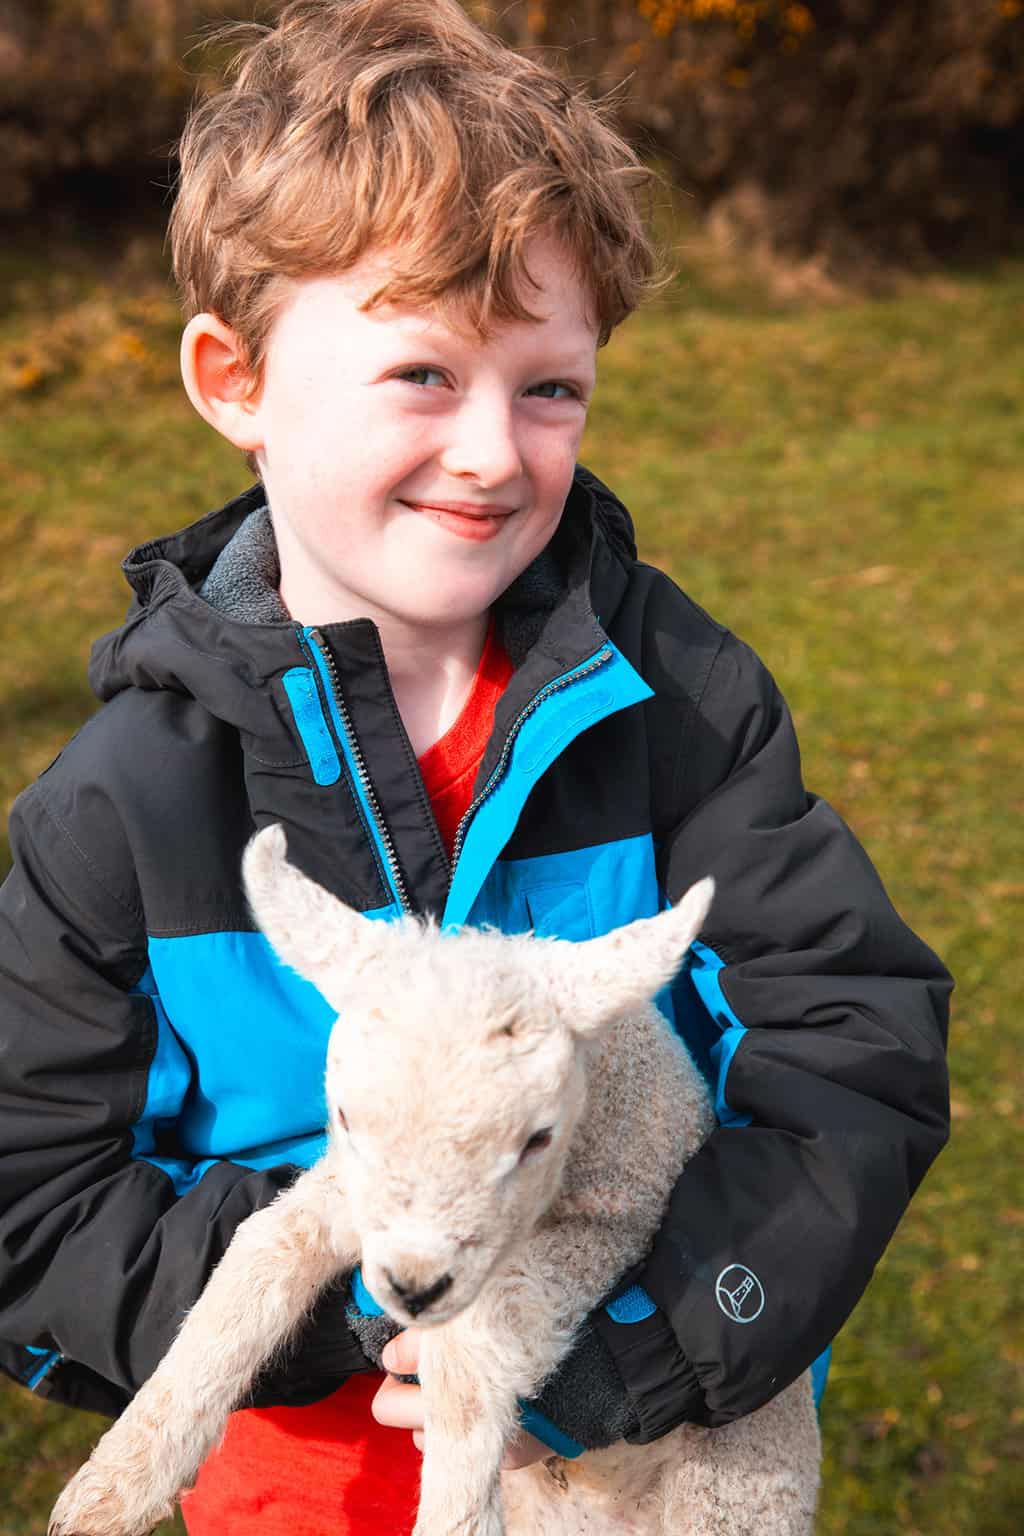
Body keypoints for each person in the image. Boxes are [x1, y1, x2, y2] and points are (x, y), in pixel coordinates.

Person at [0, 2, 951, 1532]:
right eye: (425, 375)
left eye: (548, 386)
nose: (496, 451)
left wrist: (631, 1341)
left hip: (646, 1470)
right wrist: (389, 1280)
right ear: (233, 379)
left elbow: (855, 1046)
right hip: (304, 1504)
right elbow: (32, 1205)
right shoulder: (122, 806)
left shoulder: (681, 706)